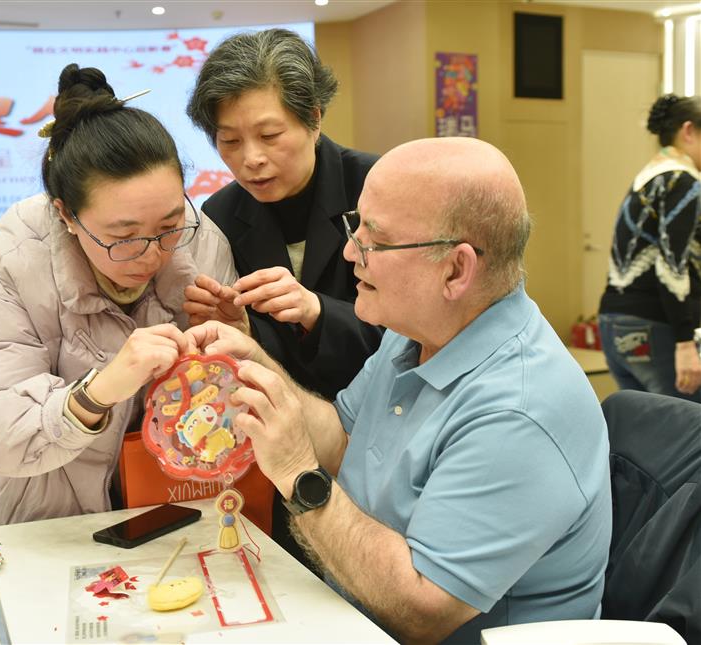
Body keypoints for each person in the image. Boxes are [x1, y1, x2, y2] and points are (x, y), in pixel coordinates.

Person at [186, 137, 612, 643]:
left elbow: (419, 612)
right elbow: (346, 443)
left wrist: (300, 475)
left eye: (375, 240)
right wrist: (257, 366)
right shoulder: (417, 333)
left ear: (456, 269)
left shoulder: (518, 410)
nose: (349, 252)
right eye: (355, 225)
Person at [0, 64, 236, 526]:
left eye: (168, 225)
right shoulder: (13, 257)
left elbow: (226, 409)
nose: (153, 254)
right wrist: (98, 393)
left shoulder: (202, 240)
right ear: (66, 215)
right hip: (51, 521)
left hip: (178, 506)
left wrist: (237, 347)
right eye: (123, 236)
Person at [184, 28, 383, 401]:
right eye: (229, 141)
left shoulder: (376, 186)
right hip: (284, 417)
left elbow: (417, 333)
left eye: (270, 135)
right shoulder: (220, 214)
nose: (251, 159)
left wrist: (317, 311)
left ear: (314, 119)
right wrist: (243, 329)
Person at [598, 94, 701, 402]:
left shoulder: (646, 179)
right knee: (688, 438)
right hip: (657, 328)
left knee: (648, 437)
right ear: (688, 132)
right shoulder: (682, 181)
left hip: (614, 322)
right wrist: (685, 343)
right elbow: (672, 263)